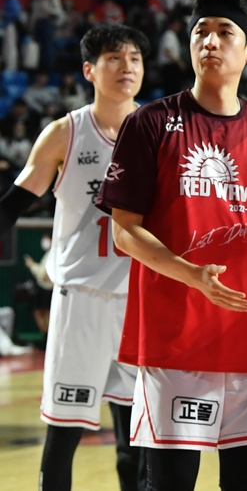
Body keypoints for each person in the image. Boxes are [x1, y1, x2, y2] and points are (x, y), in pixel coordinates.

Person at [96, 0, 247, 491]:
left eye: (225, 32)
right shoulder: (150, 123)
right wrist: (192, 275)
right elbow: (124, 232)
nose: (210, 41)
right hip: (176, 345)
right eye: (201, 31)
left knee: (246, 485)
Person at [0, 24, 149, 491]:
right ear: (89, 69)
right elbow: (11, 208)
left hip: (136, 301)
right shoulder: (65, 133)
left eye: (134, 59)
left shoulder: (159, 132)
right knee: (63, 434)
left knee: (136, 442)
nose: (126, 67)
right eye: (114, 58)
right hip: (80, 299)